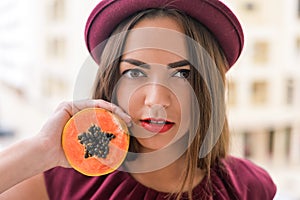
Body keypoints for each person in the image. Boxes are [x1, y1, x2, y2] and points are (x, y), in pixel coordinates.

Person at [0, 0, 277, 199]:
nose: (156, 99)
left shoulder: (248, 188)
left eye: (182, 74)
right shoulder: (61, 182)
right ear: (111, 83)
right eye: (135, 72)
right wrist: (41, 150)